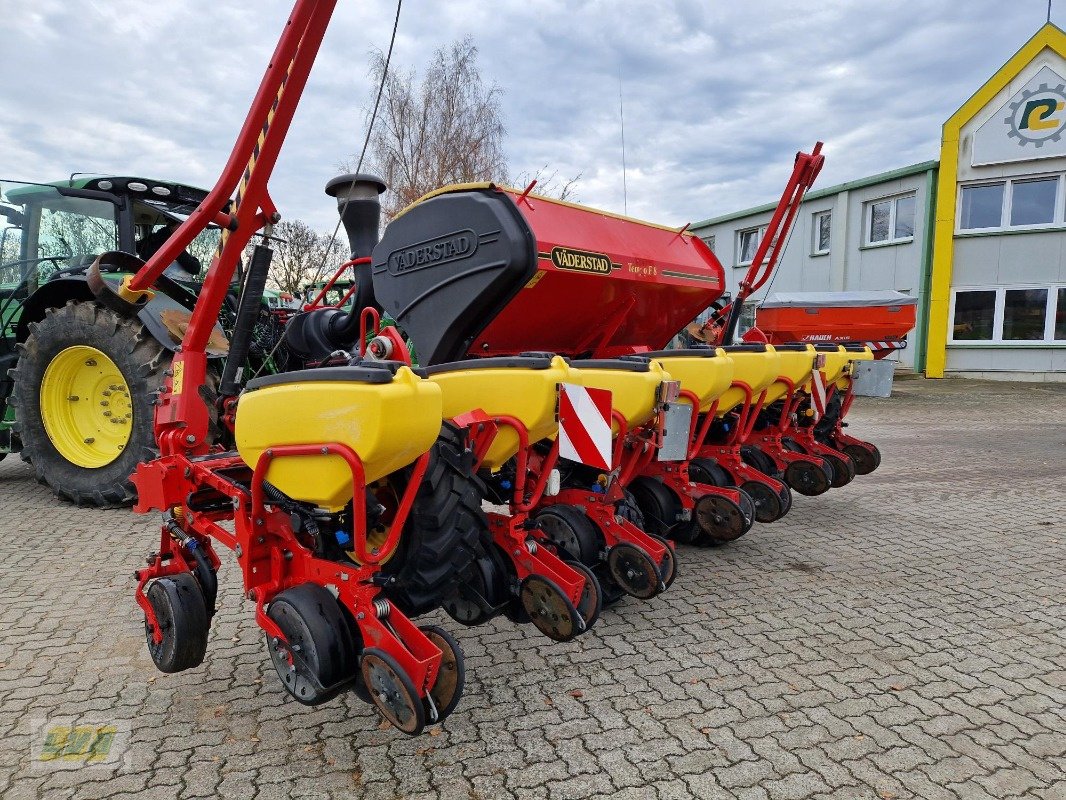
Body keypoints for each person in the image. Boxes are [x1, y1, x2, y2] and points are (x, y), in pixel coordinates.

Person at [136, 222, 202, 277]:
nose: (185, 229)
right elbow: (195, 268)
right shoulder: (172, 244)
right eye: (181, 224)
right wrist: (194, 259)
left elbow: (132, 247)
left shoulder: (149, 240)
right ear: (171, 226)